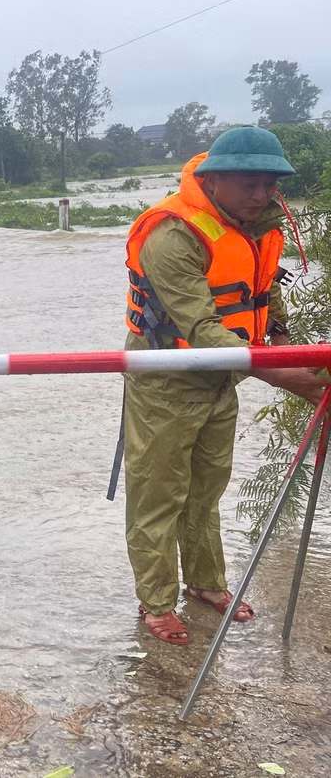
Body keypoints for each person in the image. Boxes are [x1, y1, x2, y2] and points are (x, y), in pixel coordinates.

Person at [121, 125, 329, 646]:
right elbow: (203, 330)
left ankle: (206, 584)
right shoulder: (173, 235)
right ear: (213, 181)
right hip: (167, 381)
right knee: (159, 494)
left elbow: (264, 300)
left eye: (269, 185)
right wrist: (290, 378)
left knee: (207, 487)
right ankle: (156, 603)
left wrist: (287, 347)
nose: (261, 196)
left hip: (222, 379)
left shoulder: (256, 227)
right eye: (249, 185)